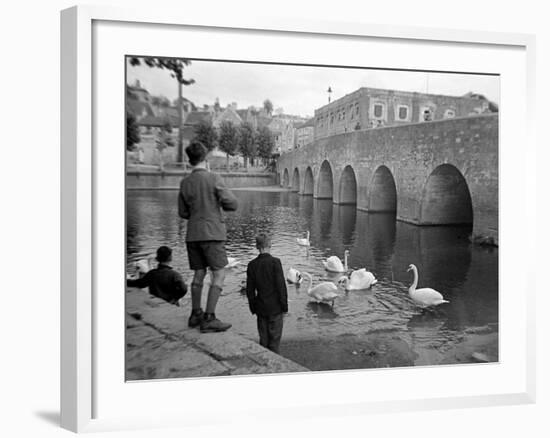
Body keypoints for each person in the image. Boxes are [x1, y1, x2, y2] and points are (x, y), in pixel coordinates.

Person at [178, 141, 239, 333]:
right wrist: (217, 206)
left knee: (199, 273)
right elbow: (232, 204)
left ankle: (195, 314)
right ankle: (209, 318)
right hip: (212, 234)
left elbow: (182, 212)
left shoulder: (185, 182)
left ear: (190, 160)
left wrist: (197, 214)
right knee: (219, 274)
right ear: (205, 158)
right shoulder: (213, 178)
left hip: (193, 234)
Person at [246, 233, 288, 354]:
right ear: (270, 245)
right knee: (274, 340)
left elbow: (250, 290)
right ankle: (274, 365)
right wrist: (284, 306)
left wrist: (253, 307)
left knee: (263, 340)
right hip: (275, 307)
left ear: (257, 247)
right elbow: (281, 286)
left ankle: (264, 364)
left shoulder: (252, 265)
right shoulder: (275, 262)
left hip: (261, 307)